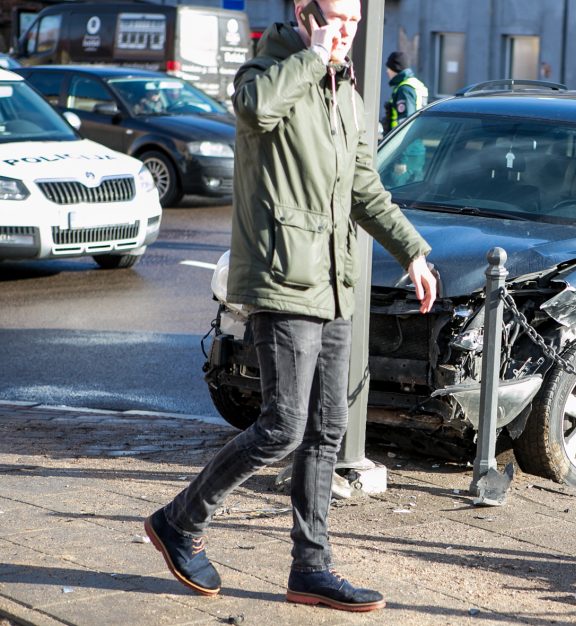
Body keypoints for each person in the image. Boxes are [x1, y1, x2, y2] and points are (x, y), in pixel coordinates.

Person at [143, 0, 436, 614]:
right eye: (334, 18)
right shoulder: (267, 70)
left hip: (332, 284)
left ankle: (311, 567)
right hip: (282, 278)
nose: (346, 32)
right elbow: (253, 110)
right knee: (282, 427)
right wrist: (311, 56)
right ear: (304, 14)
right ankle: (179, 521)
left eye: (353, 22)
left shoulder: (348, 94)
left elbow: (364, 187)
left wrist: (412, 251)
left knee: (327, 429)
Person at [382, 50, 427, 134]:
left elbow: (405, 122)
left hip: (404, 143)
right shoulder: (415, 84)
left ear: (396, 68)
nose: (387, 71)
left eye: (389, 68)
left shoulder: (404, 89)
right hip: (415, 139)